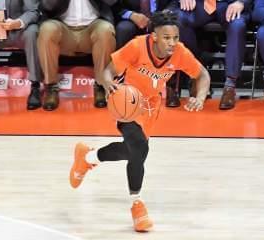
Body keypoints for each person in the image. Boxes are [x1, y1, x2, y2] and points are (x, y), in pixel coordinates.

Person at [69, 10, 210, 232]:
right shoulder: (136, 46)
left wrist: (200, 97)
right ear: (154, 36)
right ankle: (137, 205)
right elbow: (108, 71)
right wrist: (108, 84)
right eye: (166, 38)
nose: (172, 43)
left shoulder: (180, 53)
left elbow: (202, 75)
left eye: (175, 38)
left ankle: (87, 157)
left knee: (131, 151)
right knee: (140, 149)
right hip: (127, 100)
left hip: (151, 107)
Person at [37, 0, 117, 110]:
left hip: (92, 27)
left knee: (105, 29)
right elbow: (46, 5)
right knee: (47, 29)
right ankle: (51, 86)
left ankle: (101, 85)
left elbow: (112, 2)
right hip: (63, 28)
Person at [178, 0, 252, 110]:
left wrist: (241, 2)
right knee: (180, 19)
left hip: (230, 4)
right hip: (198, 4)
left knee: (237, 25)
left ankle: (230, 86)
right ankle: (196, 76)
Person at [113, 0, 180, 107]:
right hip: (133, 18)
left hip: (162, 17)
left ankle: (171, 89)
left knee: (171, 29)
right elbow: (115, 6)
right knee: (123, 29)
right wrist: (131, 15)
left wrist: (166, 14)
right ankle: (122, 87)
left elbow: (174, 2)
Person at [0, 0, 42, 110]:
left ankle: (35, 86)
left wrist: (18, 22)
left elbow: (33, 11)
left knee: (32, 32)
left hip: (17, 31)